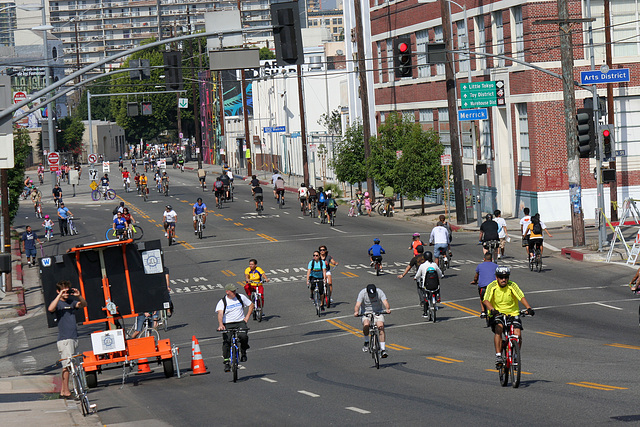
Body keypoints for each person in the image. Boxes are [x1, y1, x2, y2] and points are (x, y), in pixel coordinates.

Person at [483, 266, 535, 367]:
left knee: (518, 334)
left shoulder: (512, 285)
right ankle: (498, 355)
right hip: (497, 313)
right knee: (499, 329)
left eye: (506, 277)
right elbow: (486, 300)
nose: (504, 280)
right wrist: (492, 310)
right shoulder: (492, 286)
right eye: (501, 277)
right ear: (497, 278)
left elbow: (521, 296)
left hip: (513, 313)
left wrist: (529, 308)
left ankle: (516, 355)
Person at [47, 280, 87, 399]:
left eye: (67, 290)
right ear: (58, 291)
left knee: (70, 366)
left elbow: (84, 304)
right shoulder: (58, 303)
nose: (66, 293)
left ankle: (64, 392)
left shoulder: (71, 302)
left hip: (73, 337)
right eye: (64, 291)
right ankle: (66, 391)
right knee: (67, 366)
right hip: (65, 339)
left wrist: (78, 295)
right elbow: (50, 309)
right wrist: (59, 295)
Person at [216, 284, 253, 371]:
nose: (234, 292)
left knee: (243, 336)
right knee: (226, 341)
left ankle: (243, 352)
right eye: (232, 291)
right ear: (227, 292)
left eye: (235, 291)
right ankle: (226, 362)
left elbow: (251, 305)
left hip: (240, 322)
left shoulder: (241, 297)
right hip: (228, 323)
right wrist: (221, 325)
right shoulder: (223, 302)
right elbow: (220, 314)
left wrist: (246, 318)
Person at [354, 284, 391, 358]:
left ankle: (383, 349)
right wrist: (356, 311)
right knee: (366, 324)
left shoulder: (379, 292)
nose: (372, 296)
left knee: (381, 327)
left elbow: (385, 302)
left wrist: (387, 308)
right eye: (371, 295)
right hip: (366, 312)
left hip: (378, 311)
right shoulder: (362, 293)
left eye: (373, 295)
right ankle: (366, 341)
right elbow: (357, 305)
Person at [470, 252, 499, 319]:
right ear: (492, 259)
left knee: (482, 298)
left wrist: (475, 281)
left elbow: (476, 276)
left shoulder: (480, 266)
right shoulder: (496, 266)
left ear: (484, 259)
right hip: (493, 286)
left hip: (483, 287)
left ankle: (483, 311)